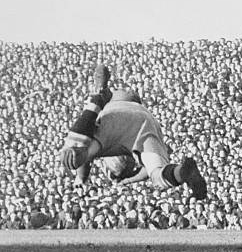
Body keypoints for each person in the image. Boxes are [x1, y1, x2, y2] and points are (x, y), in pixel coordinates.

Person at [58, 65, 207, 200]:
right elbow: (84, 160)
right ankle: (183, 172)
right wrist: (126, 180)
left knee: (76, 155)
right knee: (158, 175)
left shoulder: (107, 150)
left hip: (128, 114)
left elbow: (84, 161)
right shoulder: (110, 152)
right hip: (138, 117)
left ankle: (98, 95)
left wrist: (81, 179)